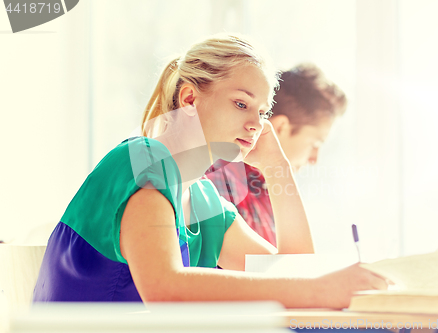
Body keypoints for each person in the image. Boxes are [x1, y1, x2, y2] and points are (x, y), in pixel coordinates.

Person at [33, 34, 387, 308]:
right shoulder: (143, 160)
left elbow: (295, 272)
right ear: (189, 99)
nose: (255, 124)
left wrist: (277, 169)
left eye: (262, 112)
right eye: (241, 103)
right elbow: (165, 289)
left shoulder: (202, 200)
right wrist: (318, 289)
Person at [205, 64, 346, 246]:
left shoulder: (270, 193)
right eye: (314, 144)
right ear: (280, 128)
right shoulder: (220, 186)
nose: (314, 159)